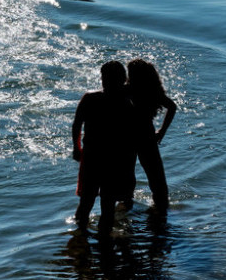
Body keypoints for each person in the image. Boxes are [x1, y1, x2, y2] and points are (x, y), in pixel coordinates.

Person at [72, 61, 136, 237]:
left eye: (106, 77)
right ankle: (101, 241)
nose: (105, 81)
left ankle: (80, 235)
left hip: (96, 157)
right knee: (105, 204)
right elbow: (131, 137)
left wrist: (76, 148)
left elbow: (77, 124)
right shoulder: (126, 102)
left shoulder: (91, 98)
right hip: (111, 159)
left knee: (89, 201)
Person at [127, 59, 177, 213]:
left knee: (127, 175)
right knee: (156, 178)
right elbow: (172, 107)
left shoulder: (126, 90)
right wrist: (162, 131)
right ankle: (161, 209)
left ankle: (126, 205)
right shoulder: (153, 90)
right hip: (146, 135)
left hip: (127, 136)